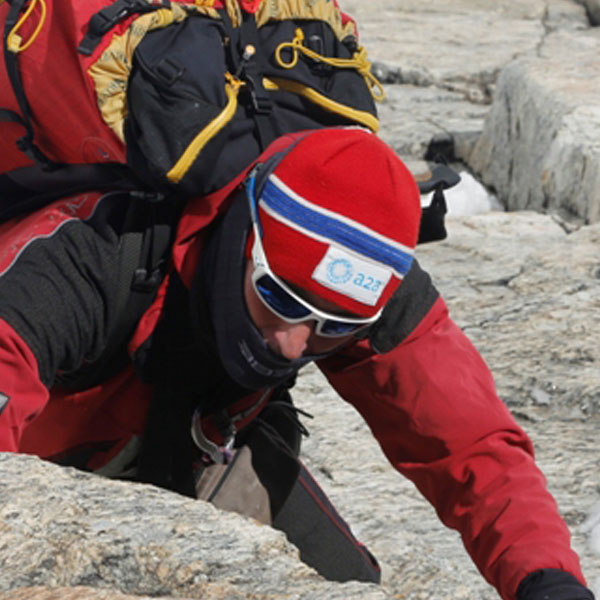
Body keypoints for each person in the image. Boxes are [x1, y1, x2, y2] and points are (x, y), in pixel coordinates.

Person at [0, 126, 594, 600]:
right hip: (42, 466)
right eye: (280, 298)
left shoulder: (370, 283)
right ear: (242, 236)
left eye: (333, 328)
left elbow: (470, 445)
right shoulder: (92, 250)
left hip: (201, 443)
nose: (293, 343)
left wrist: (549, 581)